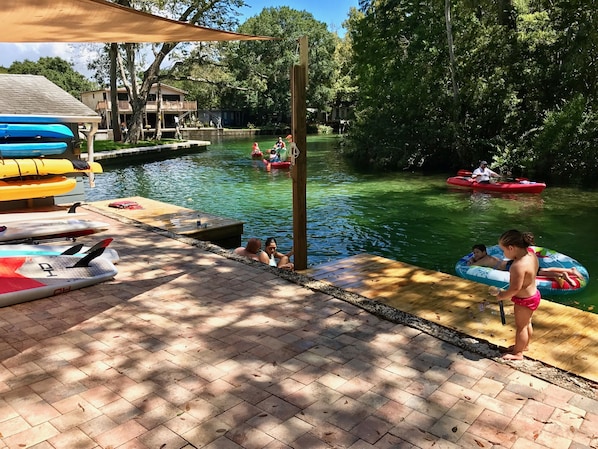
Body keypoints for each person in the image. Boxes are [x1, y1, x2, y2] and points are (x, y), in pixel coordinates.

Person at [489, 230, 540, 361]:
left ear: (511, 248)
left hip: (524, 300)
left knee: (521, 327)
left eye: (504, 251)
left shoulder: (517, 266)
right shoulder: (531, 256)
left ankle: (518, 353)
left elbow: (515, 289)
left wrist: (501, 295)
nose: (503, 254)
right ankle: (524, 345)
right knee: (527, 323)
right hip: (534, 295)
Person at [469, 243, 582, 287]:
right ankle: (570, 271)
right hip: (510, 263)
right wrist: (474, 258)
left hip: (510, 266)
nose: (475, 254)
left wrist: (471, 260)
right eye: (474, 253)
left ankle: (562, 275)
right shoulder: (488, 257)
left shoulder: (483, 260)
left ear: (484, 252)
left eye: (477, 252)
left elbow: (470, 267)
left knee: (538, 272)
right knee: (540, 270)